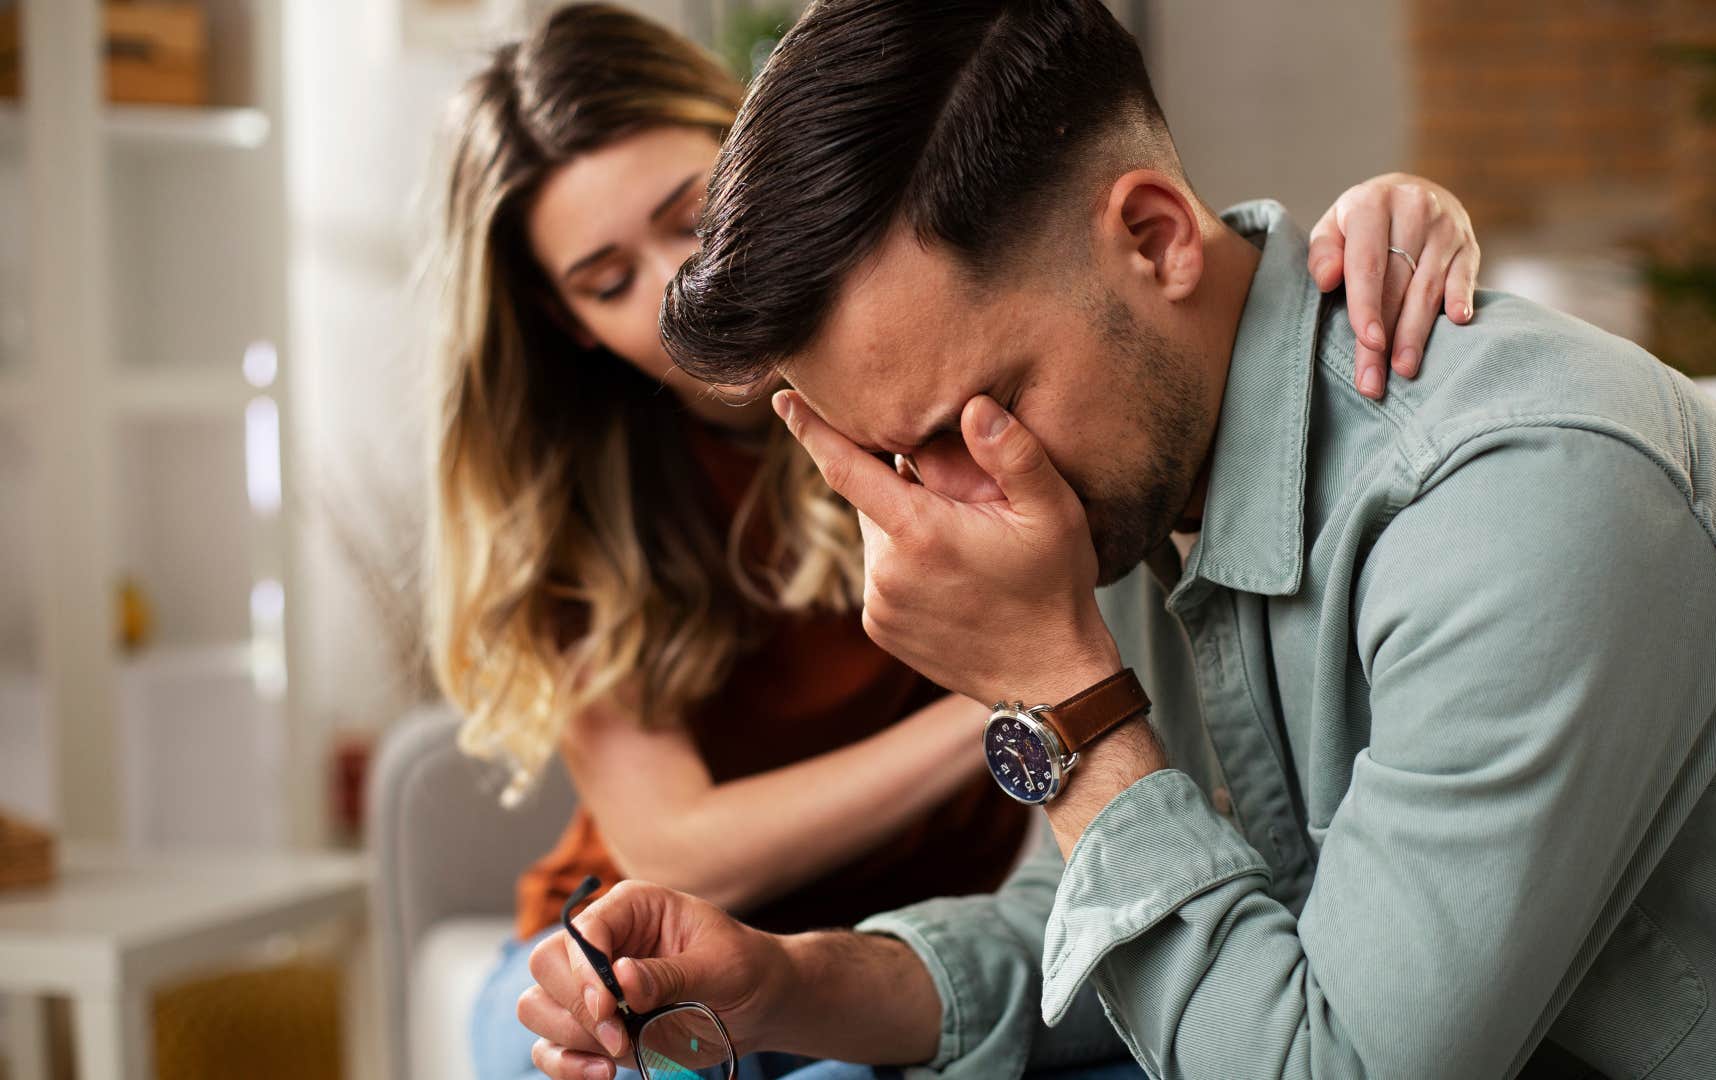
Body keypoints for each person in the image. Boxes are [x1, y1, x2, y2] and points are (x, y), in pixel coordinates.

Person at [516, 1, 1716, 1078]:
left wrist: (1062, 703)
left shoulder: (1523, 499)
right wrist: (789, 981)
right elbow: (1101, 922)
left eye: (974, 415)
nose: (952, 506)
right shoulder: (1135, 477)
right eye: (894, 458)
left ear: (1154, 236)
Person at [425, 5, 1485, 1079]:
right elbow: (674, 846)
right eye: (606, 282)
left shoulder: (981, 359)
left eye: (692, 216)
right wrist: (1036, 697)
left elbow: (1190, 289)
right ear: (561, 320)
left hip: (960, 912)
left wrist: (1383, 220)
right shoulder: (583, 506)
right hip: (706, 922)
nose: (666, 292)